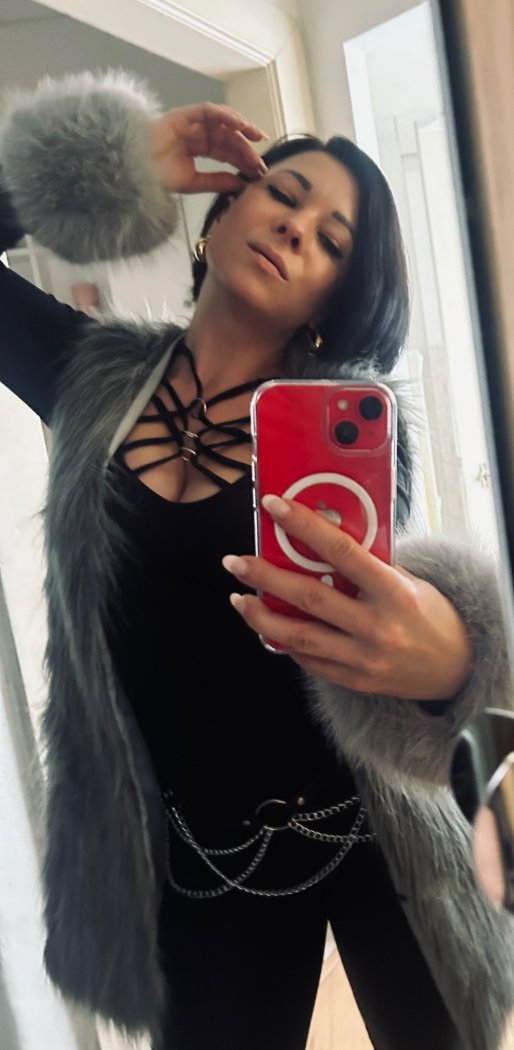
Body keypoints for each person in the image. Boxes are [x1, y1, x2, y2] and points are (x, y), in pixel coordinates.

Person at [0, 69, 513, 1050]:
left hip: (375, 834)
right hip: (200, 858)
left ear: (333, 298)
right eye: (284, 193)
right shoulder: (86, 375)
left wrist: (452, 650)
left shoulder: (348, 431)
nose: (296, 229)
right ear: (221, 212)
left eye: (333, 241)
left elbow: (377, 636)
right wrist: (122, 163)